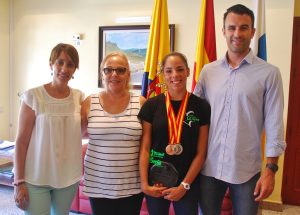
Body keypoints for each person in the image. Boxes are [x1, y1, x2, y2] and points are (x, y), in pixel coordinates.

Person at [194, 4, 286, 215]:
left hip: (246, 170)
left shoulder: (269, 73)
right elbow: (194, 115)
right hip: (209, 167)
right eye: (232, 27)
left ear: (253, 32)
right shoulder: (208, 72)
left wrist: (270, 171)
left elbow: (274, 124)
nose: (237, 33)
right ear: (223, 30)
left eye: (244, 28)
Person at [13, 43, 84, 214]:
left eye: (70, 64)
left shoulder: (79, 97)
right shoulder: (33, 96)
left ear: (75, 69)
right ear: (51, 64)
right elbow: (21, 142)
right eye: (60, 62)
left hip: (68, 177)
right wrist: (18, 181)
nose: (64, 68)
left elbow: (83, 130)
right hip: (36, 177)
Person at [138, 52, 210, 215]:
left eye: (180, 69)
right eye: (169, 71)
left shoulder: (201, 106)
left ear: (188, 72)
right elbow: (145, 148)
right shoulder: (151, 105)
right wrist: (144, 184)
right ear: (163, 74)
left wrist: (184, 186)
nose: (175, 75)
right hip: (155, 181)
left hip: (187, 183)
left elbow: (201, 153)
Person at [81, 52, 144, 215]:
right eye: (108, 70)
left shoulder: (141, 102)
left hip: (131, 184)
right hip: (97, 183)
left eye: (120, 70)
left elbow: (147, 145)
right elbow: (77, 135)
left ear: (128, 74)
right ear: (102, 74)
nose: (114, 74)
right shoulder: (89, 102)